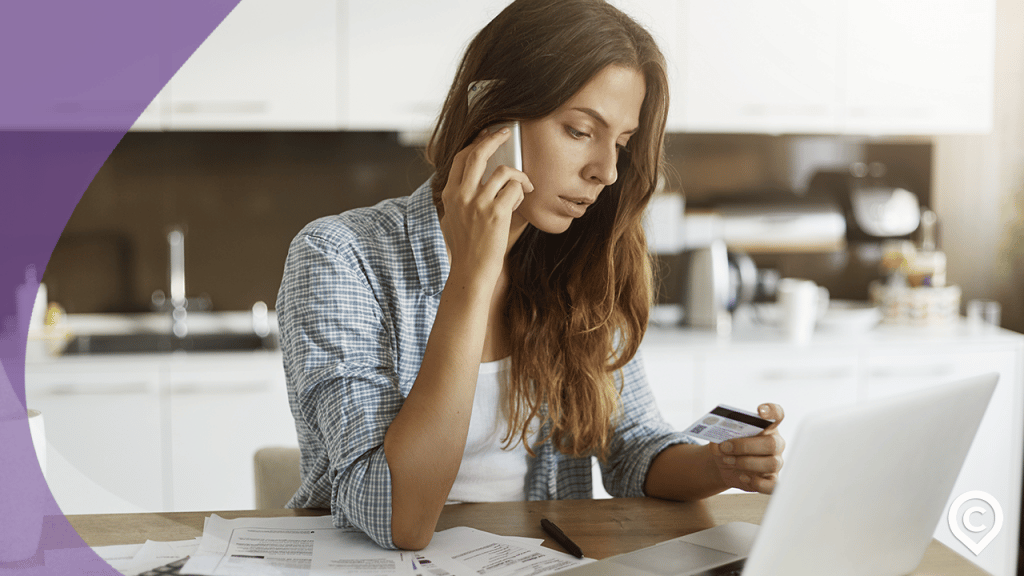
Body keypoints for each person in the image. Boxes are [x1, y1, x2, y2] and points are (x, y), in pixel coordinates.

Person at [276, 0, 786, 551]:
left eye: (621, 143)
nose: (606, 171)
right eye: (578, 130)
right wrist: (473, 272)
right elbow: (402, 518)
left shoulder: (579, 266)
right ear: (494, 115)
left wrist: (717, 465)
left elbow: (633, 445)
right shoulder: (339, 256)